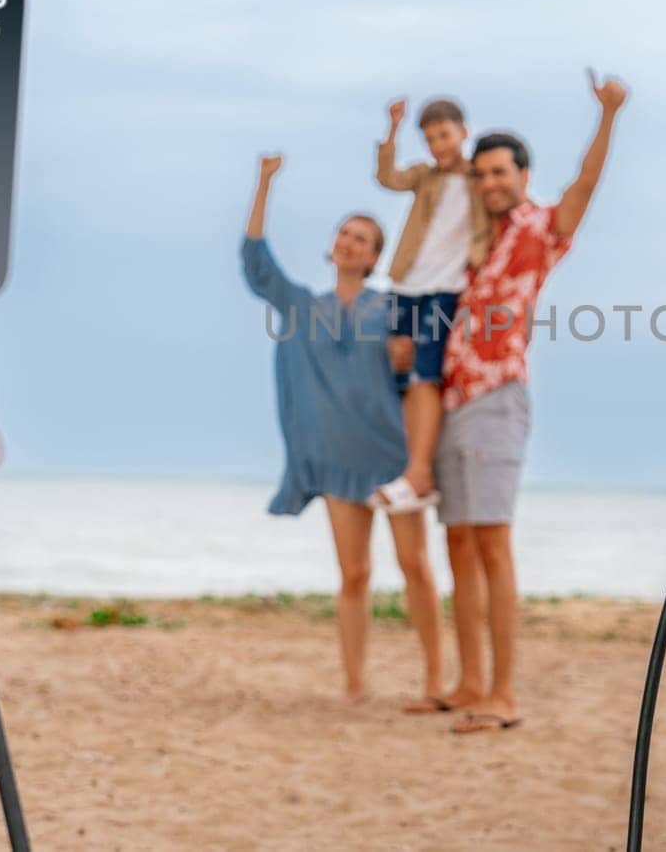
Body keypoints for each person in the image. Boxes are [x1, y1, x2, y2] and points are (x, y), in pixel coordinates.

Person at [435, 70, 629, 734]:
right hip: (453, 399)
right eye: (481, 174)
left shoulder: (539, 228)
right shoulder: (471, 242)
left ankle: (504, 693)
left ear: (521, 174)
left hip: (498, 398)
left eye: (500, 172)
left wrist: (607, 116)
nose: (490, 182)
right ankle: (467, 681)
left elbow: (584, 185)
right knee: (457, 542)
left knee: (492, 543)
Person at [240, 153, 447, 710]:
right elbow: (256, 264)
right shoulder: (302, 307)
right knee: (354, 574)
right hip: (335, 461)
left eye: (361, 238)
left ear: (375, 256)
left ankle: (434, 679)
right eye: (344, 234)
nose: (349, 242)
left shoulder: (391, 309)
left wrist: (405, 361)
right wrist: (263, 183)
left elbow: (420, 370)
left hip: (392, 456)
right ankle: (355, 683)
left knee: (414, 567)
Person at [372, 96, 489, 511]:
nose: (438, 145)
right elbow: (387, 177)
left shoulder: (479, 179)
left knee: (427, 373)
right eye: (430, 138)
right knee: (401, 368)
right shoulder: (425, 176)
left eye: (444, 135)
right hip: (408, 283)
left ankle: (420, 472)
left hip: (447, 288)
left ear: (462, 132)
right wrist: (391, 130)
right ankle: (412, 467)